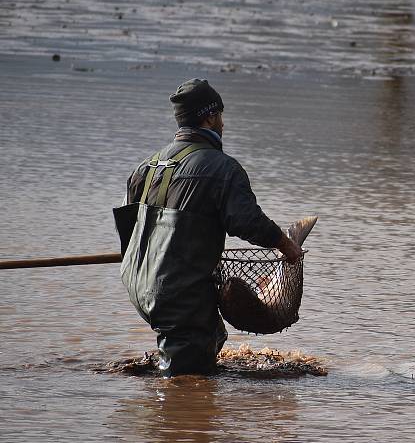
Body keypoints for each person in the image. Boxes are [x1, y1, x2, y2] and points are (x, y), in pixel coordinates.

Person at [115, 78, 303, 377]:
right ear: (209, 116)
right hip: (177, 293)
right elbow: (247, 221)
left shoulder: (145, 167)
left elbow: (129, 232)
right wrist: (286, 244)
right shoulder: (221, 168)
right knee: (184, 381)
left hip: (138, 285)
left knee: (212, 335)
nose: (223, 124)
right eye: (220, 115)